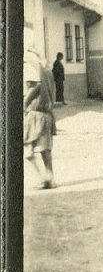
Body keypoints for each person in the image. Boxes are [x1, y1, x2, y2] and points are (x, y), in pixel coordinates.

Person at [24, 48, 57, 189]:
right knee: (45, 150)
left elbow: (36, 86)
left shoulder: (31, 67)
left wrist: (24, 102)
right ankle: (51, 179)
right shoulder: (47, 70)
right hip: (47, 113)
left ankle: (42, 179)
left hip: (34, 113)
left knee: (29, 152)